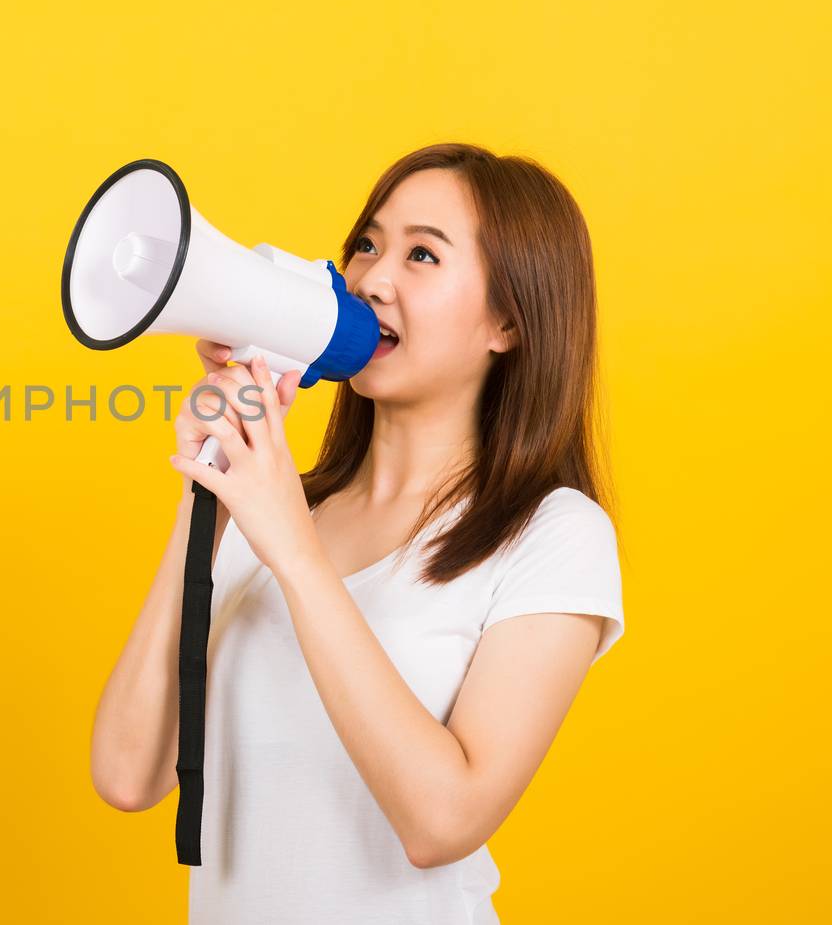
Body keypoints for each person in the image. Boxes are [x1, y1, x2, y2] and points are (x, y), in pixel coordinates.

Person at [89, 143, 625, 923]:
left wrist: (292, 548)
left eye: (422, 255)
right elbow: (127, 774)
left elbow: (443, 822)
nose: (373, 279)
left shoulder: (555, 534)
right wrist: (207, 494)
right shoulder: (274, 509)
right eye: (367, 245)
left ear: (508, 319)